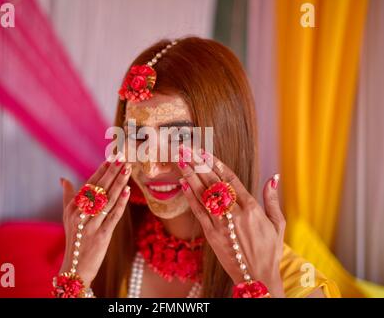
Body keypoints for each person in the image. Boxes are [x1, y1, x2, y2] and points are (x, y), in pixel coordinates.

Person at [54, 36, 340, 298]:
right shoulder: (102, 250)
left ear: (225, 137)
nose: (151, 168)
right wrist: (74, 280)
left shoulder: (299, 284)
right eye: (138, 137)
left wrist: (263, 283)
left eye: (178, 138)